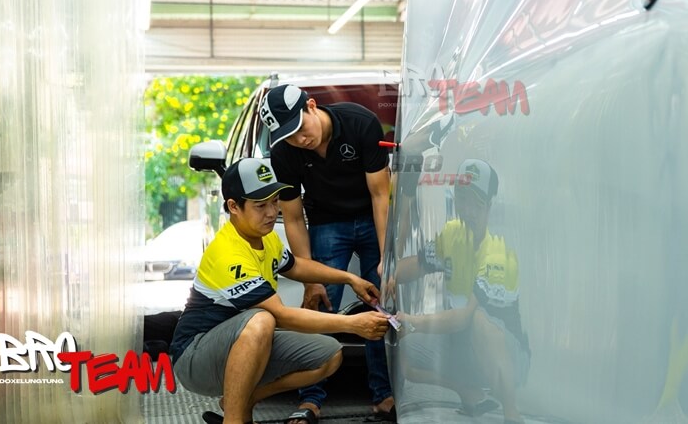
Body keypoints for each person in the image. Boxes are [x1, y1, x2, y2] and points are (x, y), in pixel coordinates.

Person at [169, 157, 390, 424]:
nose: (272, 213)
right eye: (261, 205)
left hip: (241, 347)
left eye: (275, 202)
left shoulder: (265, 237)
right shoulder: (228, 253)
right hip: (194, 357)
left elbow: (295, 266)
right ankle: (234, 419)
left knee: (329, 354)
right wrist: (353, 324)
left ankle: (244, 399)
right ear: (234, 207)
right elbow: (282, 316)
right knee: (262, 320)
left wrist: (350, 278)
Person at [258, 84, 395, 421]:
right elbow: (293, 217)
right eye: (289, 136)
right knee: (319, 305)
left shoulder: (361, 123)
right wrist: (309, 279)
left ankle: (384, 394)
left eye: (300, 129)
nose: (299, 140)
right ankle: (310, 400)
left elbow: (381, 196)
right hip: (326, 224)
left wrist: (386, 259)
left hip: (370, 216)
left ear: (312, 106)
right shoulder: (284, 153)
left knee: (381, 303)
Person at [393, 159, 530, 424]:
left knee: (479, 321)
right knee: (407, 351)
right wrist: (388, 274)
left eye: (475, 202)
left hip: (509, 356)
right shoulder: (453, 233)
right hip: (464, 345)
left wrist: (413, 321)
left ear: (489, 205)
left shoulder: (498, 251)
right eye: (462, 199)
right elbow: (418, 265)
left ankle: (511, 412)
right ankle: (467, 392)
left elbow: (464, 317)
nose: (467, 209)